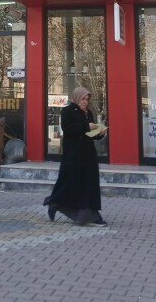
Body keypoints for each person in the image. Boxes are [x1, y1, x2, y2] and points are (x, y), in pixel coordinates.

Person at [43, 87, 106, 226]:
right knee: (69, 183)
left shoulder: (88, 113)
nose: (85, 102)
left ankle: (92, 214)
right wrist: (86, 126)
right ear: (77, 98)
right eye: (83, 99)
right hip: (73, 155)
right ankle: (54, 203)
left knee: (90, 184)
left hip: (88, 155)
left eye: (87, 99)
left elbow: (89, 134)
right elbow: (68, 129)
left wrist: (99, 133)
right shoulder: (67, 111)